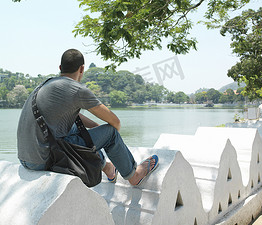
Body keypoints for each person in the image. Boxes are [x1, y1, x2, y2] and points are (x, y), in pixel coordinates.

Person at [17, 49, 158, 186]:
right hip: (44, 160)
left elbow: (73, 115)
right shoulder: (77, 90)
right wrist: (104, 137)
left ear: (60, 68)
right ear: (82, 69)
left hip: (25, 158)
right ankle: (134, 176)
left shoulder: (45, 84)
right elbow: (115, 122)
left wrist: (96, 130)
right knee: (111, 133)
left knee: (74, 128)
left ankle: (109, 169)